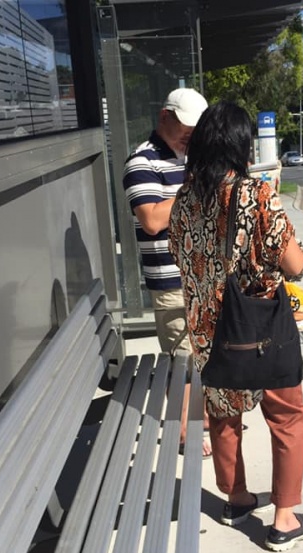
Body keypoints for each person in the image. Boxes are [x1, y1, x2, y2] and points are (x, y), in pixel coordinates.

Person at [168, 101, 303, 552]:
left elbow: (181, 257)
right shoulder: (256, 195)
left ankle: (235, 500)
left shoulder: (184, 199)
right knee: (287, 415)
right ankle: (284, 520)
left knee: (223, 414)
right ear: (241, 145)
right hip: (259, 331)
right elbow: (293, 264)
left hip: (208, 332)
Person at [122, 87, 212, 457]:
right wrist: (198, 189)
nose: (190, 134)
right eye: (185, 126)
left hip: (203, 274)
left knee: (203, 351)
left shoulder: (194, 157)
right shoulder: (141, 162)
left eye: (195, 128)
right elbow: (153, 219)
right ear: (164, 116)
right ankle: (185, 432)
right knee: (183, 355)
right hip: (171, 279)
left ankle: (202, 418)